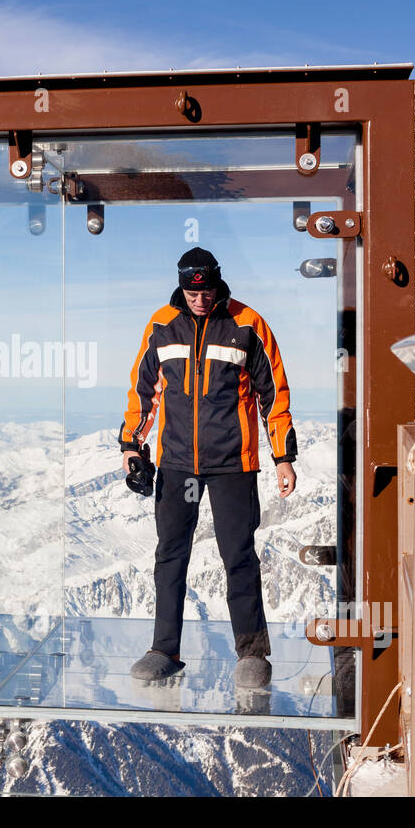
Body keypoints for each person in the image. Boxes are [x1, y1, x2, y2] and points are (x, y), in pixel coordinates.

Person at [117, 247, 297, 690]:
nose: (199, 298)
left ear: (217, 283)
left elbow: (273, 392)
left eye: (206, 290)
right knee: (170, 553)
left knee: (237, 555)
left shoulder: (247, 324)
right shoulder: (161, 325)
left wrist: (283, 457)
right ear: (182, 287)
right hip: (178, 463)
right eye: (191, 291)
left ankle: (253, 654)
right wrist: (131, 443)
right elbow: (144, 391)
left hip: (233, 464)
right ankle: (164, 649)